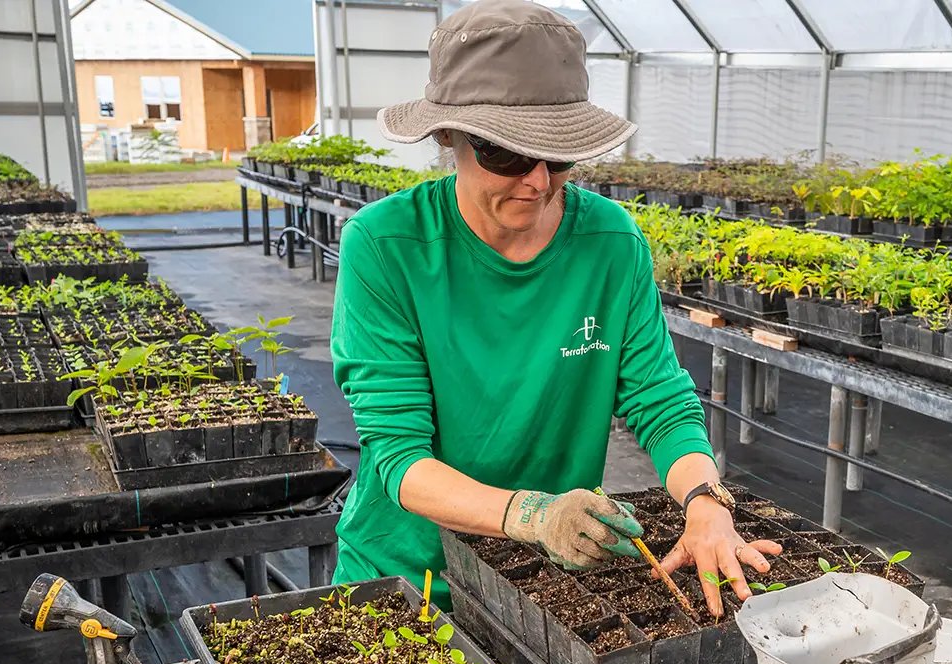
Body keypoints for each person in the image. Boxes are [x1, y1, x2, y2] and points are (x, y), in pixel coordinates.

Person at [329, 0, 781, 615]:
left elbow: (659, 398)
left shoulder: (610, 243)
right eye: (506, 156)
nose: (538, 182)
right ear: (447, 138)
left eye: (559, 156)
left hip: (538, 580)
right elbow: (397, 454)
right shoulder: (387, 247)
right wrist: (532, 513)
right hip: (410, 573)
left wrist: (705, 502)